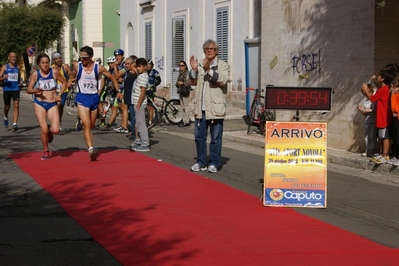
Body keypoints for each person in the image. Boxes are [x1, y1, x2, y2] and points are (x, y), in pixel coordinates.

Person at [71, 46, 121, 160]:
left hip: (94, 98)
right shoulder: (77, 66)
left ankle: (80, 120)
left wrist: (118, 91)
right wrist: (71, 79)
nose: (82, 59)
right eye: (81, 57)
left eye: (85, 58)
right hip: (82, 97)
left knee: (91, 125)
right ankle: (91, 149)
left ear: (91, 57)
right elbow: (72, 73)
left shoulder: (99, 68)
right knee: (87, 124)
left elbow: (112, 78)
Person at [188, 39, 230, 173]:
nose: (209, 51)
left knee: (215, 138)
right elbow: (192, 82)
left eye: (212, 49)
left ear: (216, 51)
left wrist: (209, 70)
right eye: (207, 49)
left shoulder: (222, 65)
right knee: (199, 137)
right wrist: (194, 70)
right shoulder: (199, 65)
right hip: (201, 108)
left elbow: (222, 80)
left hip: (215, 108)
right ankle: (201, 161)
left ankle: (214, 162)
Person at [26, 53, 67, 160]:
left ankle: (50, 130)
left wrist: (59, 94)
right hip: (40, 103)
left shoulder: (54, 72)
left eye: (47, 62)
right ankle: (46, 151)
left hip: (52, 103)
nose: (45, 65)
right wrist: (36, 91)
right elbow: (29, 90)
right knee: (43, 129)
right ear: (39, 64)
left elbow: (64, 83)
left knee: (56, 130)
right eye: (43, 63)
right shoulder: (35, 74)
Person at [361, 70, 394, 164]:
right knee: (381, 135)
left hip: (383, 115)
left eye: (379, 76)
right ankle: (381, 153)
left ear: (383, 78)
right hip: (381, 115)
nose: (377, 77)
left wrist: (366, 89)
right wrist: (375, 79)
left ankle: (385, 154)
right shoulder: (385, 88)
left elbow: (372, 98)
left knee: (384, 136)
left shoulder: (383, 90)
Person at [129, 58, 150, 152]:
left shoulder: (144, 77)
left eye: (140, 66)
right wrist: (137, 61)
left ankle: (145, 144)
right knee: (137, 123)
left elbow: (143, 92)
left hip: (139, 103)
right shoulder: (140, 75)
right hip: (135, 101)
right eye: (137, 66)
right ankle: (138, 141)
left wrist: (139, 103)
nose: (137, 68)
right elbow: (132, 66)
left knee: (141, 124)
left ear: (145, 67)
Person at [51, 53, 74, 134]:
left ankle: (59, 121)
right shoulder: (51, 68)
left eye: (59, 58)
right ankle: (56, 123)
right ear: (54, 60)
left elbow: (71, 76)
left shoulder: (65, 67)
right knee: (58, 105)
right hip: (54, 90)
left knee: (61, 106)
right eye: (56, 58)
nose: (58, 60)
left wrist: (69, 82)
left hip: (64, 90)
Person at [0, 52, 22, 131]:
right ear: (8, 58)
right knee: (7, 107)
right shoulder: (5, 67)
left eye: (15, 57)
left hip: (16, 89)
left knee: (16, 105)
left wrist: (20, 81)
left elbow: (19, 78)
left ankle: (14, 124)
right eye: (12, 57)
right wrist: (4, 77)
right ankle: (5, 116)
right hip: (7, 89)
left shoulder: (18, 67)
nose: (13, 58)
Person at [357, 83, 376, 158]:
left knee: (372, 136)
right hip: (367, 121)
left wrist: (370, 110)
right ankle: (367, 149)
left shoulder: (373, 100)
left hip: (373, 121)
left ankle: (372, 150)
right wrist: (362, 110)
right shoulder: (365, 102)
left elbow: (375, 109)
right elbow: (364, 113)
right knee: (367, 136)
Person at [113, 49, 129, 134]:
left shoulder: (124, 64)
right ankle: (123, 125)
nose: (117, 58)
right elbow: (115, 77)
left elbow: (117, 75)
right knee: (121, 108)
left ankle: (125, 127)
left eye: (119, 56)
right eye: (116, 56)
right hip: (120, 89)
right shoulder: (119, 65)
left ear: (122, 56)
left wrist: (115, 67)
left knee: (124, 108)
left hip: (125, 88)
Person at [123, 55, 138, 140]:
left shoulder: (135, 73)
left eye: (128, 64)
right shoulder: (128, 72)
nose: (126, 65)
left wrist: (133, 67)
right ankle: (133, 132)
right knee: (131, 117)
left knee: (134, 117)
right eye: (126, 64)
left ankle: (136, 134)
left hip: (133, 98)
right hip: (128, 97)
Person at [176, 60, 192, 127]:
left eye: (182, 65)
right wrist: (177, 83)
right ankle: (184, 119)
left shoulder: (187, 73)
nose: (181, 67)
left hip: (185, 91)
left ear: (185, 66)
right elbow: (177, 81)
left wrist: (182, 83)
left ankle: (186, 121)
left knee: (186, 106)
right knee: (182, 106)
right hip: (180, 90)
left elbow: (189, 82)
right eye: (180, 65)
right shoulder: (180, 73)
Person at [146, 59, 161, 125]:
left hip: (151, 90)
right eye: (147, 65)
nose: (148, 66)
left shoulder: (155, 72)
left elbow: (159, 80)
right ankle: (147, 118)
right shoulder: (144, 72)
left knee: (150, 106)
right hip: (145, 90)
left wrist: (154, 85)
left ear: (152, 65)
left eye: (149, 65)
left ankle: (150, 120)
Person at [389, 79, 399, 165]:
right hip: (395, 116)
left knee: (397, 138)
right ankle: (396, 155)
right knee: (395, 137)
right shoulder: (394, 95)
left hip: (397, 116)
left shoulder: (396, 95)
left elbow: (394, 106)